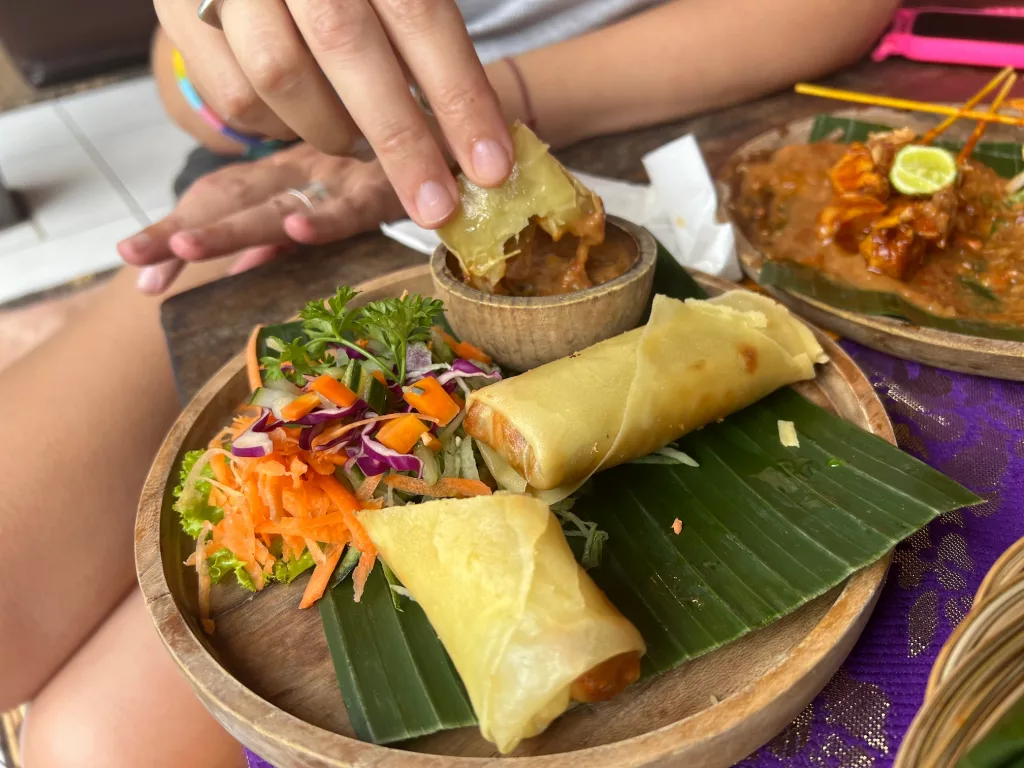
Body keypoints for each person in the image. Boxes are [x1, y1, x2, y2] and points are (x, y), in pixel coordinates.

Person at [4, 1, 900, 766]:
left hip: (635, 117)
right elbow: (185, 81)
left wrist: (468, 117)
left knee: (92, 745)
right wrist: (251, 78)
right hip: (293, 189)